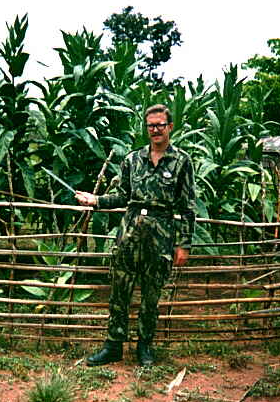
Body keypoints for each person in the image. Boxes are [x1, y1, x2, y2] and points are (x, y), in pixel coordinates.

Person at [75, 104, 196, 367]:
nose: (155, 130)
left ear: (170, 127)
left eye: (160, 125)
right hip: (129, 232)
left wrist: (183, 244)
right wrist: (95, 200)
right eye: (151, 125)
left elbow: (187, 207)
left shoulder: (182, 161)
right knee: (120, 290)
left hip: (161, 234)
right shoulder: (132, 159)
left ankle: (145, 347)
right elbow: (122, 196)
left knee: (151, 294)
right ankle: (113, 345)